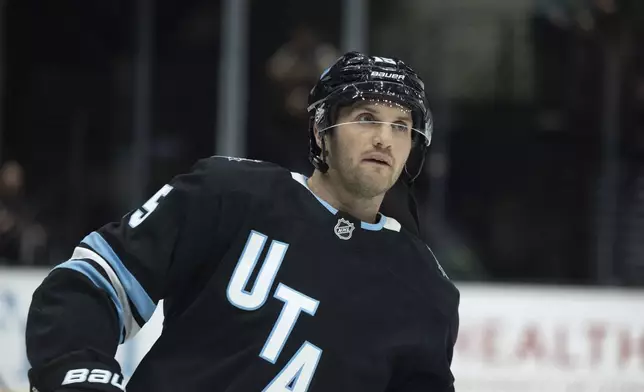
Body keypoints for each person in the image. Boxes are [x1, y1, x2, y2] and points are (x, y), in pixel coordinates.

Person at [25, 51, 460, 392]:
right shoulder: (228, 195)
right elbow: (94, 284)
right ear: (321, 131)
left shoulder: (425, 290)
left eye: (402, 126)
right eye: (366, 118)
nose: (384, 138)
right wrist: (79, 375)